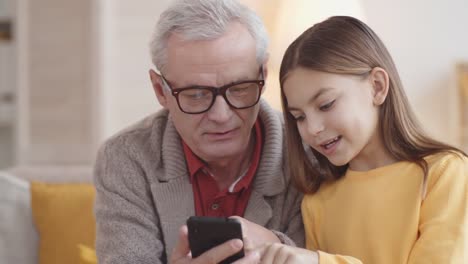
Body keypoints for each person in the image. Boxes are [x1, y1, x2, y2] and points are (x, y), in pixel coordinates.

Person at [93, 0, 304, 263]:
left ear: (262, 75)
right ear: (161, 91)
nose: (221, 115)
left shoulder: (307, 149)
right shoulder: (126, 159)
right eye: (196, 95)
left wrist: (274, 244)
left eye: (239, 89)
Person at [255, 16, 468, 263]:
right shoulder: (317, 200)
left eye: (326, 105)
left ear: (377, 86)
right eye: (299, 117)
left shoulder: (445, 173)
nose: (312, 128)